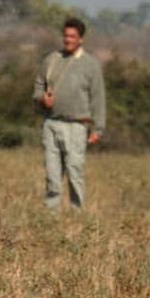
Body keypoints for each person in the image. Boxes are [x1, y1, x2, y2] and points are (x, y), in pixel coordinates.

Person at [32, 17, 106, 210]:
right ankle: (51, 214)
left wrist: (98, 128)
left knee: (75, 171)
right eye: (66, 36)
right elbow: (38, 87)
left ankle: (77, 213)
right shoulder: (51, 60)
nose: (68, 40)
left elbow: (98, 97)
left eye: (73, 36)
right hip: (52, 123)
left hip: (77, 125)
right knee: (52, 172)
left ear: (81, 39)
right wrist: (42, 98)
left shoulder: (90, 64)